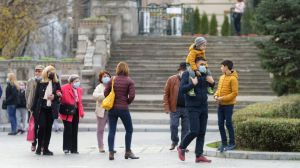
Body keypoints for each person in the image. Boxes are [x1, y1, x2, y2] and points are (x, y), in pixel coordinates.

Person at [177, 57, 215, 163]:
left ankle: (199, 155)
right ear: (195, 64)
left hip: (204, 106)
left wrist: (212, 83)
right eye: (201, 64)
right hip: (192, 106)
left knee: (202, 132)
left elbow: (210, 89)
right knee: (194, 131)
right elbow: (182, 89)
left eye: (205, 64)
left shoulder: (205, 74)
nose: (204, 66)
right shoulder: (187, 74)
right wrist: (192, 84)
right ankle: (181, 147)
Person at [104, 62, 139, 160]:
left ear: (118, 69)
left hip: (112, 109)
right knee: (129, 129)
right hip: (123, 108)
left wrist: (112, 99)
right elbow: (132, 96)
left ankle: (111, 152)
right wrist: (126, 102)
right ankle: (127, 151)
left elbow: (105, 92)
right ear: (127, 69)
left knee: (112, 130)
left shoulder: (112, 79)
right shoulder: (129, 81)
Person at [31, 65, 61, 155]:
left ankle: (46, 148)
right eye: (49, 71)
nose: (51, 73)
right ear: (46, 72)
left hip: (51, 108)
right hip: (41, 108)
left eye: (53, 72)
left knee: (48, 128)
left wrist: (54, 96)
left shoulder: (56, 83)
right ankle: (39, 147)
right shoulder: (41, 82)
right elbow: (36, 96)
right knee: (42, 127)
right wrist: (33, 109)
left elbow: (60, 93)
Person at [163, 62, 189, 151]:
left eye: (186, 70)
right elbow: (166, 94)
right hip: (175, 107)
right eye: (183, 70)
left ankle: (183, 145)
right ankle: (174, 141)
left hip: (187, 108)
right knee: (173, 126)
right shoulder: (172, 79)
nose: (184, 72)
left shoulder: (191, 79)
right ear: (179, 70)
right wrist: (166, 107)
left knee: (186, 128)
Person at [214, 60, 239, 152]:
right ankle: (224, 143)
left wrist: (222, 98)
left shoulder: (233, 79)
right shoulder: (221, 77)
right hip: (220, 105)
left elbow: (234, 93)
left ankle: (232, 143)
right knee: (220, 124)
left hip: (228, 105)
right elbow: (218, 89)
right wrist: (216, 95)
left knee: (228, 123)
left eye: (221, 66)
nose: (221, 68)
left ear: (226, 67)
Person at [60, 74, 85, 154]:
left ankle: (74, 149)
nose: (78, 83)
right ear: (71, 82)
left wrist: (81, 112)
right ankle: (66, 148)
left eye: (78, 81)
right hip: (67, 111)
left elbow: (80, 102)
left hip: (76, 111)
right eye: (76, 81)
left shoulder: (79, 90)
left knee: (75, 129)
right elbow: (58, 92)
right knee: (68, 129)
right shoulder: (64, 88)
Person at [25, 65, 44, 152]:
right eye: (36, 71)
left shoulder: (45, 81)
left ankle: (42, 144)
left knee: (42, 126)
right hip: (32, 107)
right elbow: (27, 93)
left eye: (39, 71)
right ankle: (33, 143)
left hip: (42, 107)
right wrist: (29, 104)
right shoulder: (30, 81)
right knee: (33, 126)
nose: (37, 72)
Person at [93, 71, 111, 153]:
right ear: (101, 78)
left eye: (107, 76)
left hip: (111, 111)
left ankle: (111, 146)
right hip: (102, 111)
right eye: (104, 76)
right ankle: (101, 146)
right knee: (100, 130)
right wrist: (104, 95)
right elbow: (95, 96)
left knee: (112, 130)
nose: (106, 77)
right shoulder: (99, 87)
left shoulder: (112, 86)